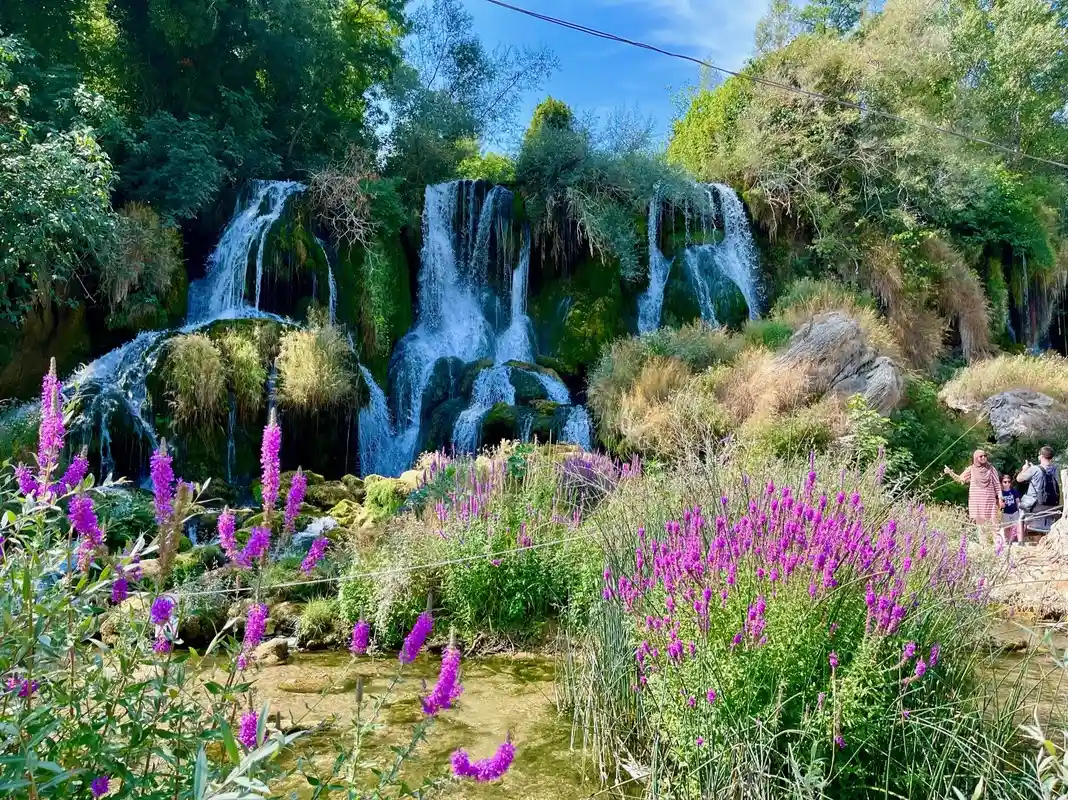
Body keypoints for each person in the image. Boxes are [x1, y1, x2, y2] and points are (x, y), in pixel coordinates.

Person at [944, 450, 1000, 543]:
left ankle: (998, 545)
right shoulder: (971, 469)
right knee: (980, 526)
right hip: (977, 500)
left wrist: (1000, 497)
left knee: (994, 523)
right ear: (976, 458)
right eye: (980, 456)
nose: (983, 458)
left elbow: (997, 484)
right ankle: (984, 546)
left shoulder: (991, 469)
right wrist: (950, 473)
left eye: (984, 455)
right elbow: (961, 480)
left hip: (990, 500)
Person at [1017, 446, 1061, 533]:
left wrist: (1025, 469)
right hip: (1052, 506)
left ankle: (1021, 541)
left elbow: (1019, 479)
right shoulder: (1055, 469)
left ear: (1041, 456)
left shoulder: (1034, 469)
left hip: (1035, 506)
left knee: (1021, 510)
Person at [999, 474, 1023, 545]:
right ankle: (1007, 541)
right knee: (1007, 527)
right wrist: (1001, 505)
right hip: (1005, 512)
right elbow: (999, 503)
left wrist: (1020, 509)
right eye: (1005, 482)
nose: (1007, 483)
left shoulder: (1013, 491)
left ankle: (1017, 541)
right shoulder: (1001, 492)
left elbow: (1017, 501)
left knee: (1016, 527)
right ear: (1001, 482)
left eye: (1009, 482)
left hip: (1014, 512)